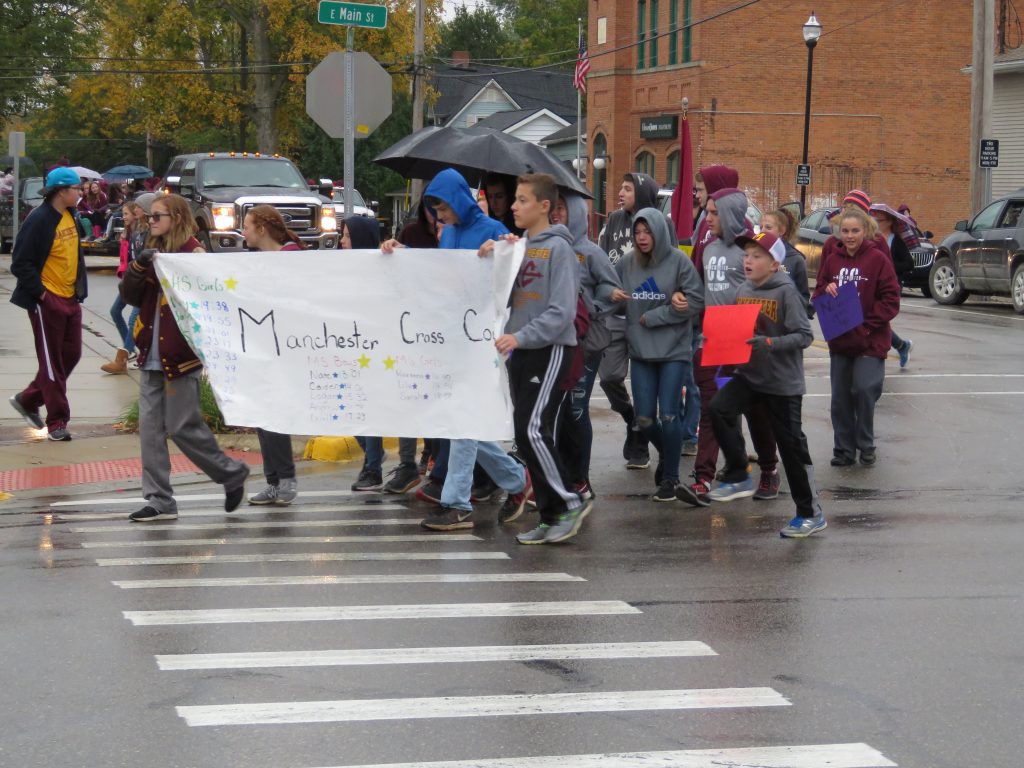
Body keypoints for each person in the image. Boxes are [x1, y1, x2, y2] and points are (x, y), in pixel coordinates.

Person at [384, 168, 531, 531]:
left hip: (483, 340)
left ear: (459, 202)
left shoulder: (493, 231)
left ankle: (456, 503)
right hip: (451, 338)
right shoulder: (448, 233)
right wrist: (400, 254)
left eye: (444, 209)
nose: (440, 218)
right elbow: (438, 276)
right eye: (436, 212)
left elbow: (516, 272)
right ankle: (517, 479)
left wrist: (502, 251)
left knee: (462, 418)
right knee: (460, 422)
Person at [120, 193, 250, 521]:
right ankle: (159, 500)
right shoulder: (153, 250)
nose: (151, 221)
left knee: (181, 425)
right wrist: (138, 266)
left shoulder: (194, 252)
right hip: (150, 350)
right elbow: (130, 296)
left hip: (179, 355)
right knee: (150, 430)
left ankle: (229, 472)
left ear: (176, 217)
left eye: (158, 216)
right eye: (150, 216)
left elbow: (208, 301)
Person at [483, 172, 591, 544]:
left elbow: (562, 312)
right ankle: (550, 515)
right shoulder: (521, 246)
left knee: (532, 429)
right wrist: (496, 257)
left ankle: (570, 501)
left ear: (545, 207)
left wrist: (520, 336)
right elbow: (506, 296)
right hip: (521, 350)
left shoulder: (560, 250)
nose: (513, 206)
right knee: (526, 435)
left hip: (548, 349)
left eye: (523, 200)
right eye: (514, 199)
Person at [708, 230, 825, 537]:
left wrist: (770, 342)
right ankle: (738, 473)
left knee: (791, 448)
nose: (748, 260)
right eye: (746, 255)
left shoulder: (786, 292)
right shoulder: (742, 288)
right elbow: (736, 332)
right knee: (719, 408)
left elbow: (804, 336)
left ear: (775, 264)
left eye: (756, 256)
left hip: (782, 384)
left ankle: (810, 513)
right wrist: (717, 339)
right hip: (750, 376)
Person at [689, 188, 780, 503]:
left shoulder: (750, 250)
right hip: (712, 341)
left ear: (729, 214)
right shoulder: (710, 249)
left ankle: (768, 469)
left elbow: (773, 288)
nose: (708, 218)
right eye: (708, 211)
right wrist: (685, 304)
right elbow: (700, 289)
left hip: (745, 343)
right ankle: (703, 479)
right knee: (711, 411)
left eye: (714, 213)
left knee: (756, 412)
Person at [609, 207, 705, 503]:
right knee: (645, 419)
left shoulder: (679, 262)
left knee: (669, 414)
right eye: (637, 232)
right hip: (641, 352)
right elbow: (606, 290)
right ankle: (669, 453)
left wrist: (657, 316)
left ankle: (671, 478)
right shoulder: (626, 263)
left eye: (647, 231)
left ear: (660, 232)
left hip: (674, 350)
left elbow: (697, 302)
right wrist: (611, 296)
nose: (641, 237)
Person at [812, 207, 900, 468]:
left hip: (869, 339)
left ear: (866, 231)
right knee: (840, 398)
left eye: (855, 231)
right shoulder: (832, 259)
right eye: (845, 231)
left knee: (863, 389)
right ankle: (844, 449)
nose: (849, 236)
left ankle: (866, 444)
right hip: (841, 338)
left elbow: (891, 300)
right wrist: (826, 289)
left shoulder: (877, 259)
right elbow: (818, 291)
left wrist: (868, 326)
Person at [340, 215, 423, 494]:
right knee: (352, 408)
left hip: (388, 350)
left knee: (388, 407)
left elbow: (420, 269)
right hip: (357, 350)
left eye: (348, 235)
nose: (342, 241)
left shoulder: (384, 262)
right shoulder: (341, 270)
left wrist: (403, 252)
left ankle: (376, 466)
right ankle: (375, 460)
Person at [8, 167, 87, 441]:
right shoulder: (39, 219)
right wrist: (42, 295)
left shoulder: (70, 215)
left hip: (70, 299)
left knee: (72, 355)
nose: (81, 192)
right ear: (61, 191)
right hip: (47, 301)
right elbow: (20, 262)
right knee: (52, 364)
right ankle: (57, 423)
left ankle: (28, 399)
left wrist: (77, 291)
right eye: (77, 188)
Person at [551, 192, 620, 500]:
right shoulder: (548, 247)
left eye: (562, 208)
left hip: (585, 343)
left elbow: (612, 288)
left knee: (577, 410)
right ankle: (562, 475)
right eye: (553, 208)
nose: (556, 213)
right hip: (554, 343)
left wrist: (590, 305)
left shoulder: (590, 253)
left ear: (576, 213)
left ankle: (580, 478)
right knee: (559, 411)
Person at [241, 204, 305, 506]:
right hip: (264, 348)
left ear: (262, 229)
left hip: (287, 349)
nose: (243, 232)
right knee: (263, 414)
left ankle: (286, 478)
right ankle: (274, 480)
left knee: (275, 414)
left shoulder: (291, 258)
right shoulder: (260, 261)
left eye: (247, 226)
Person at [597, 172, 658, 469]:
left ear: (643, 192)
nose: (620, 193)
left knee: (645, 386)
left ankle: (641, 443)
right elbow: (604, 261)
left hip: (648, 317)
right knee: (608, 377)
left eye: (627, 188)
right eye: (620, 187)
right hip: (616, 315)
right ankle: (629, 417)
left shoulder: (659, 223)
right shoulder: (613, 221)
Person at [101, 197, 151, 374]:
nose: (126, 215)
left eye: (134, 209)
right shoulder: (134, 230)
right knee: (115, 311)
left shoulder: (149, 231)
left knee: (133, 320)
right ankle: (129, 350)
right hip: (131, 279)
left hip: (143, 282)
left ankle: (125, 355)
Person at [871, 204, 915, 368]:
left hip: (891, 284)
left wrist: (889, 266)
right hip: (873, 285)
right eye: (874, 219)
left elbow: (909, 264)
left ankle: (898, 346)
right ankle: (902, 345)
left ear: (889, 222)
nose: (876, 222)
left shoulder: (896, 241)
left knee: (879, 319)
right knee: (876, 319)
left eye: (879, 220)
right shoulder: (871, 238)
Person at [760, 208, 812, 316]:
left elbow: (804, 296)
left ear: (782, 231)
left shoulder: (796, 259)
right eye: (761, 227)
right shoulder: (756, 255)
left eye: (768, 227)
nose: (763, 231)